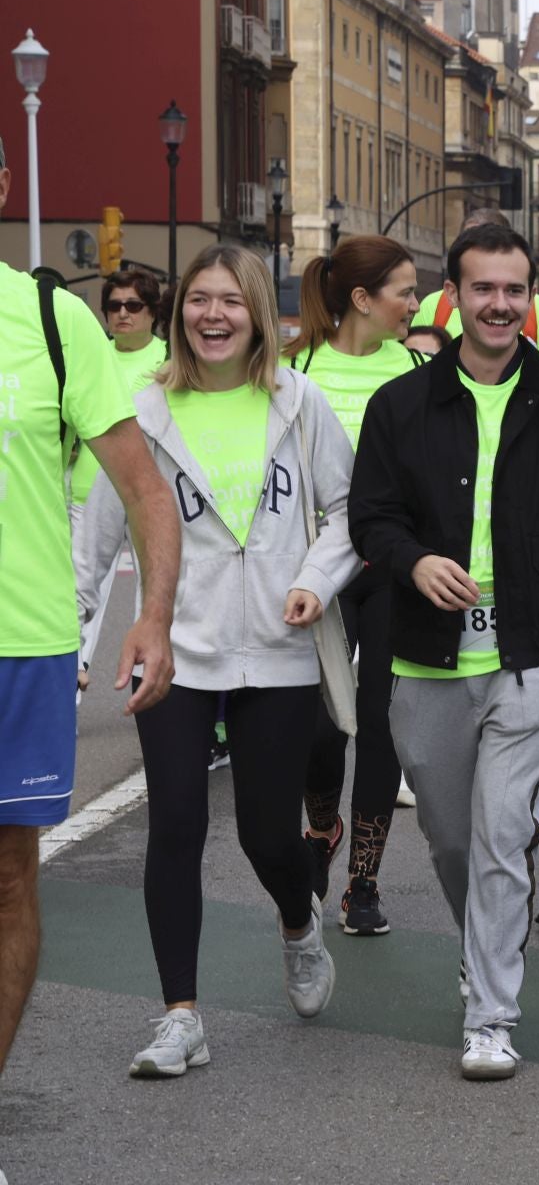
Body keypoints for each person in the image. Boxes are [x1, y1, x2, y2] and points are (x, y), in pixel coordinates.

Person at [348, 220, 539, 1079]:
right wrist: (415, 562)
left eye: (515, 290)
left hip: (532, 660)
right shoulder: (399, 405)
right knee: (450, 839)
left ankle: (491, 1012)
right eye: (482, 289)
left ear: (532, 299)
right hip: (424, 663)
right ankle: (481, 946)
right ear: (455, 297)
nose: (499, 304)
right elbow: (370, 518)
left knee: (499, 833)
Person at [76, 245, 358, 1076]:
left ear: (258, 313)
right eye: (198, 300)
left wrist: (314, 579)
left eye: (230, 301)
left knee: (269, 834)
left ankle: (299, 924)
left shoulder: (299, 402)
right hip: (176, 648)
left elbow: (347, 511)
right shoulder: (142, 411)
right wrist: (73, 643)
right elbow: (96, 540)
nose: (213, 316)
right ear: (178, 314)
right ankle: (180, 1016)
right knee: (176, 826)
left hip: (278, 649)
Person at [0, 145, 179, 1096]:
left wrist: (151, 616)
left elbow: (146, 490)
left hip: (21, 647)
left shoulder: (51, 320)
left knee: (8, 881)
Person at [284, 236, 425, 935]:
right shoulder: (293, 369)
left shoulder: (425, 369)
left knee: (380, 726)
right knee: (316, 731)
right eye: (405, 289)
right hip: (317, 574)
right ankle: (321, 832)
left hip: (393, 574)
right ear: (362, 300)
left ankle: (361, 883)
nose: (417, 302)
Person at [71, 269, 170, 687]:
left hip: (150, 493)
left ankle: (147, 684)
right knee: (77, 590)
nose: (123, 314)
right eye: (114, 306)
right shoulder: (89, 354)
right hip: (87, 494)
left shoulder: (171, 360)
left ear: (152, 313)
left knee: (152, 592)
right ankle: (67, 683)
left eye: (134, 306)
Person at [413, 210, 539, 365]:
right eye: (468, 243)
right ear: (452, 294)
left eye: (490, 243)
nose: (500, 305)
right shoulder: (433, 306)